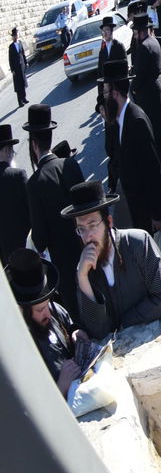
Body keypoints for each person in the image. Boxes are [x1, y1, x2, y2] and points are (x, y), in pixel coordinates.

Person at [61, 180, 161, 339]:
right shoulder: (85, 268)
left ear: (109, 222)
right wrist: (82, 278)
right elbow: (99, 332)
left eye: (92, 225)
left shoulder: (137, 242)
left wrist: (124, 323)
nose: (87, 236)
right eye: (81, 229)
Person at [99, 59, 161, 236]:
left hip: (151, 215)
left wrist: (158, 215)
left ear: (115, 93)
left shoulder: (136, 121)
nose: (103, 98)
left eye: (105, 93)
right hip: (137, 210)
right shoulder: (119, 121)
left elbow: (152, 171)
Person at [24, 103, 86, 315]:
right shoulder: (70, 165)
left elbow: (40, 240)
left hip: (65, 268)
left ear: (33, 144)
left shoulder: (34, 184)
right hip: (88, 250)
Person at [8, 248, 83, 395]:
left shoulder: (54, 311)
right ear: (22, 310)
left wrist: (77, 333)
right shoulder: (18, 349)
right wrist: (61, 387)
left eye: (47, 304)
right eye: (39, 309)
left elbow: (70, 325)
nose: (47, 313)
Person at [128, 14, 161, 167]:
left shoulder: (144, 47)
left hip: (148, 92)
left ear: (140, 31)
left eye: (135, 32)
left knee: (155, 127)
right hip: (156, 86)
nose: (134, 35)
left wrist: (133, 88)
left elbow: (139, 75)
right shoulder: (153, 41)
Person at [0, 123, 30, 264]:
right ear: (6, 149)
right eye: (11, 150)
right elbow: (31, 211)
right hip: (24, 250)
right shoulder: (17, 175)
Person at [94, 16, 126, 114]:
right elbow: (100, 74)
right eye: (103, 31)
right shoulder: (102, 51)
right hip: (108, 92)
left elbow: (124, 69)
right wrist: (101, 95)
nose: (105, 33)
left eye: (107, 30)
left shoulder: (119, 46)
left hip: (119, 89)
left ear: (112, 31)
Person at [8, 26, 27, 105]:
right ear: (12, 37)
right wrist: (12, 70)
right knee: (18, 85)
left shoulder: (19, 43)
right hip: (16, 68)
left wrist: (26, 62)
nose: (15, 37)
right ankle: (20, 101)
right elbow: (10, 59)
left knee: (23, 82)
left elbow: (23, 54)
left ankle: (24, 98)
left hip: (21, 66)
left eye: (16, 35)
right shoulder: (11, 46)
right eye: (14, 36)